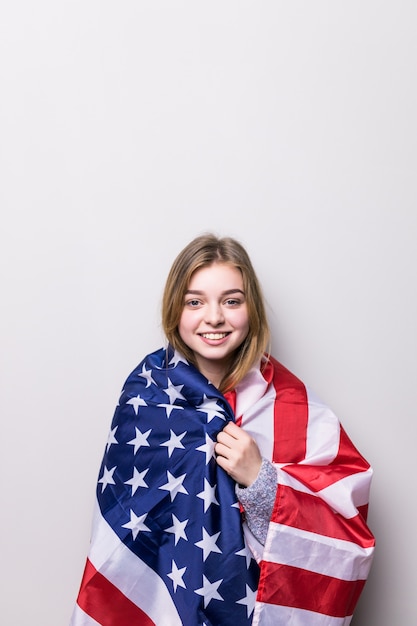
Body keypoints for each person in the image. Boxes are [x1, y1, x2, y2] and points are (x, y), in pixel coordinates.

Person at [70, 233, 375, 626]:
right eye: (194, 302)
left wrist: (260, 480)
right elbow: (123, 526)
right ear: (174, 310)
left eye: (232, 301)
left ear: (252, 310)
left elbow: (343, 538)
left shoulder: (296, 409)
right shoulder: (145, 396)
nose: (214, 317)